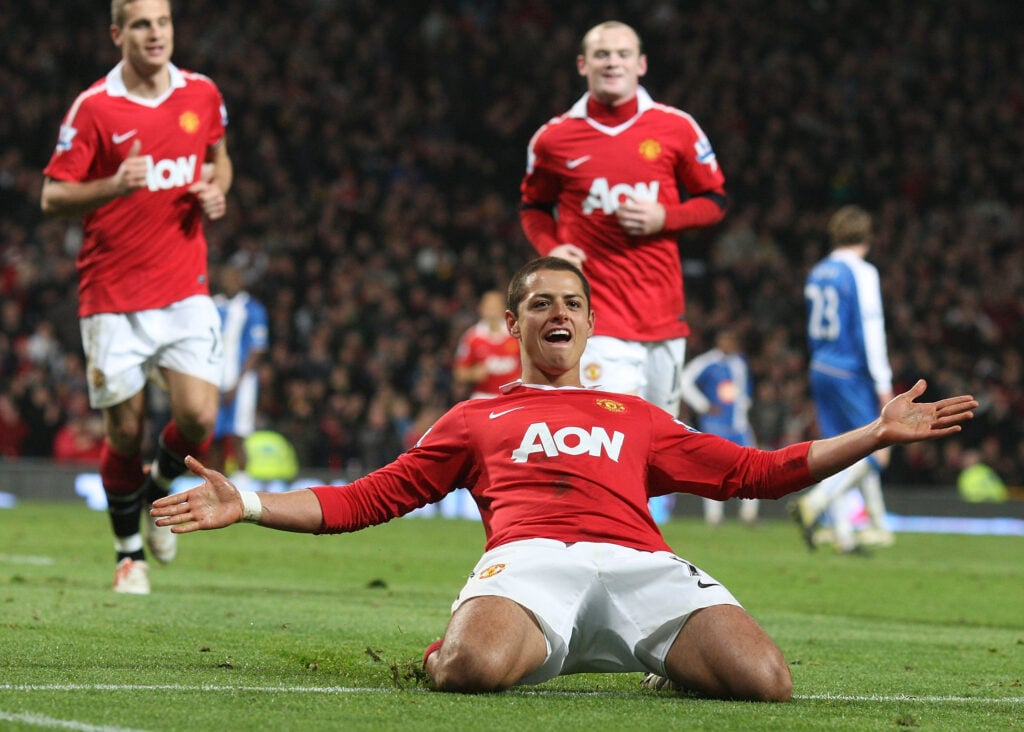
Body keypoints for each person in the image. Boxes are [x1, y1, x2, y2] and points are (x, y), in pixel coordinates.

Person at [152, 257, 976, 701]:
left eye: (572, 303)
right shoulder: (474, 417)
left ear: (588, 323)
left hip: (639, 564)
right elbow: (368, 498)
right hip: (531, 562)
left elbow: (757, 473)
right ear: (512, 323)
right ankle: (458, 642)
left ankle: (652, 657)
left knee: (766, 684)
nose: (559, 312)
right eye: (540, 301)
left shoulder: (637, 415)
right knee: (470, 673)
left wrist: (873, 433)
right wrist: (250, 501)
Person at [40, 0, 233, 594]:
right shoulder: (94, 108)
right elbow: (53, 196)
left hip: (183, 287)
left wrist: (215, 191)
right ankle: (129, 555)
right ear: (118, 33)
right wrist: (112, 185)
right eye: (143, 24)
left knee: (198, 415)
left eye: (164, 22)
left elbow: (219, 162)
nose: (156, 34)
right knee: (124, 434)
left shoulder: (201, 94)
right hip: (112, 293)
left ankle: (157, 492)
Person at [519, 20, 728, 522]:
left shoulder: (676, 127)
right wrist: (554, 247)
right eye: (601, 54)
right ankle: (592, 538)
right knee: (605, 437)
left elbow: (714, 200)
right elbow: (532, 207)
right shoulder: (554, 138)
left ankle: (634, 541)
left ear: (641, 64)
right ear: (583, 65)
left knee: (658, 443)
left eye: (622, 54)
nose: (612, 62)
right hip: (599, 316)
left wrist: (666, 217)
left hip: (662, 317)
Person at [790, 206, 894, 554]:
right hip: (850, 370)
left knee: (837, 448)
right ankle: (816, 502)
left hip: (821, 366)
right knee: (872, 446)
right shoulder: (861, 272)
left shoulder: (818, 271)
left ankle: (849, 535)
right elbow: (871, 327)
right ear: (868, 237)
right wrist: (883, 383)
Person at [436, 289, 520, 520]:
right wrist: (476, 372)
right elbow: (460, 373)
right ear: (481, 309)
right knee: (486, 455)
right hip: (483, 402)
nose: (491, 310)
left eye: (496, 305)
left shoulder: (517, 335)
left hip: (513, 402)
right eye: (488, 305)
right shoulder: (472, 337)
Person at [678, 329, 758, 526]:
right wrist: (703, 406)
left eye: (732, 340)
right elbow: (684, 380)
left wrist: (744, 410)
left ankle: (749, 515)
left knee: (753, 466)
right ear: (718, 342)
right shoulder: (707, 362)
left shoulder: (739, 363)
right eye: (725, 339)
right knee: (714, 469)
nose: (728, 344)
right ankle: (714, 516)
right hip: (716, 425)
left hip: (738, 426)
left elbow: (743, 392)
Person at [211, 263, 269, 476]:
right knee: (214, 438)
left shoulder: (252, 309)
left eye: (234, 277)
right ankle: (216, 486)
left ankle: (242, 488)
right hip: (214, 381)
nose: (229, 281)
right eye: (226, 277)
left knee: (238, 437)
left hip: (242, 383)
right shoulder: (212, 306)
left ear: (242, 281)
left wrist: (237, 383)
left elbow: (257, 349)